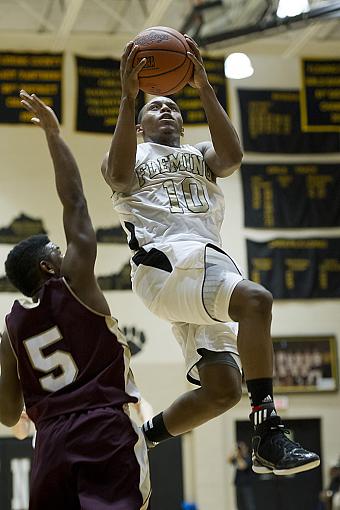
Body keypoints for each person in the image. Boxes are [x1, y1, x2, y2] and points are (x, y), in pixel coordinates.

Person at [101, 35, 320, 475]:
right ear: (140, 125)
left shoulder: (198, 154)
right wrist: (128, 101)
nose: (166, 109)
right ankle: (268, 430)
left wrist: (203, 87)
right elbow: (119, 175)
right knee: (256, 300)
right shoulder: (133, 150)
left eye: (174, 109)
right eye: (156, 107)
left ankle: (141, 440)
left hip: (202, 266)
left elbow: (233, 156)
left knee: (222, 390)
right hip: (165, 262)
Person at [0, 91, 151, 510]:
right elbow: (76, 202)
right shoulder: (75, 283)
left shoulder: (11, 329)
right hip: (103, 429)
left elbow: (8, 414)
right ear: (49, 269)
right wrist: (52, 131)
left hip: (49, 445)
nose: (63, 252)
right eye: (55, 250)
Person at [227, 442, 256, 510]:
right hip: (238, 484)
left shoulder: (248, 458)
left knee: (249, 504)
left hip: (246, 485)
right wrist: (234, 450)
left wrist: (239, 455)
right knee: (239, 505)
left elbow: (243, 466)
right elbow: (228, 459)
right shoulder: (237, 458)